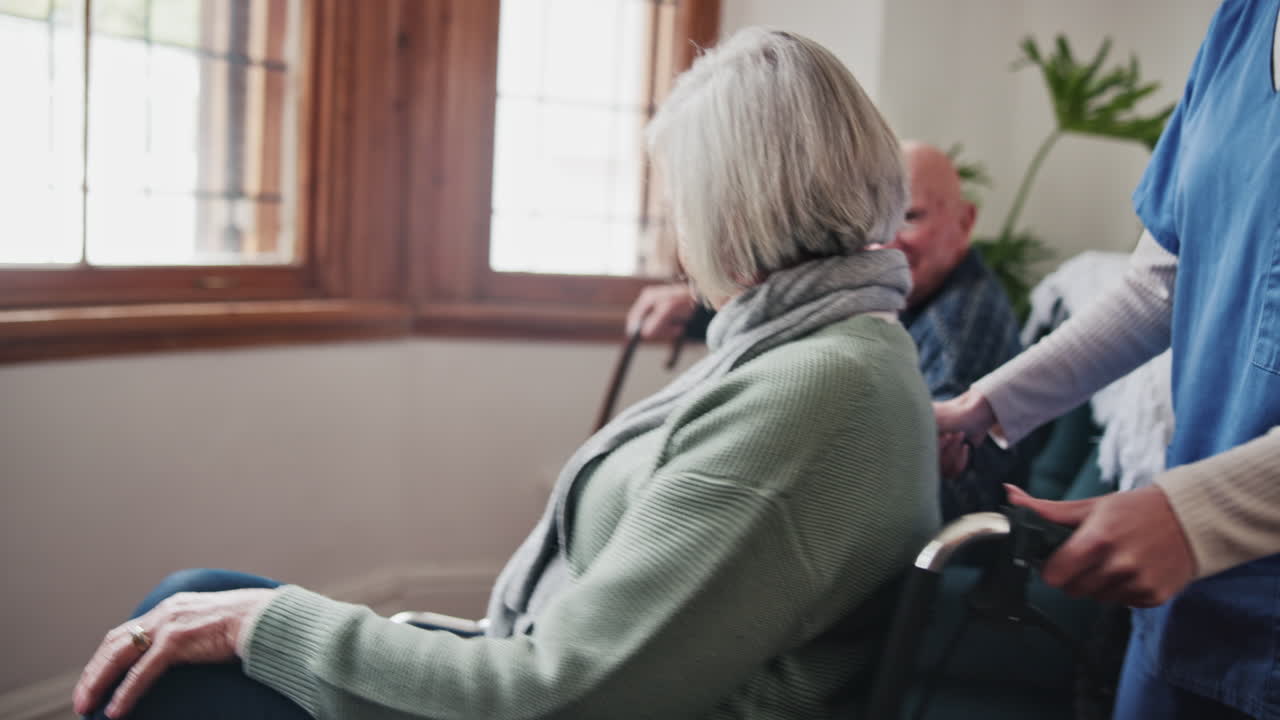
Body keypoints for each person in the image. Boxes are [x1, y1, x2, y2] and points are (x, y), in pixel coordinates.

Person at [75, 29, 941, 720]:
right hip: (551, 673)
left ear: (729, 207)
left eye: (676, 201)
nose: (672, 238)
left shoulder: (815, 388)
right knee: (198, 601)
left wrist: (276, 626)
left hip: (555, 698)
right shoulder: (818, 346)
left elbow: (561, 693)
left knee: (175, 669)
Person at [936, 1, 1280, 717]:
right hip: (1192, 599)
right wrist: (987, 406)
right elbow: (1164, 281)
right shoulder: (1242, 24)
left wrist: (1196, 514)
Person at [629, 140, 1024, 517]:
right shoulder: (908, 296)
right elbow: (808, 312)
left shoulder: (957, 328)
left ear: (964, 222)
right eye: (876, 220)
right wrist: (703, 309)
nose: (886, 241)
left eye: (910, 217)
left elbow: (946, 488)